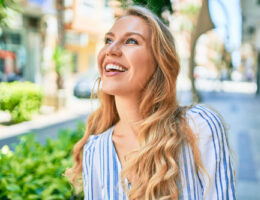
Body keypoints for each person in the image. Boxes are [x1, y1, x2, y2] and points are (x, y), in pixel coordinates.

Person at [66, 6, 236, 200]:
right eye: (108, 40)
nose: (110, 50)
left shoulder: (198, 126)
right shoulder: (95, 150)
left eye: (131, 41)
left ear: (159, 62)